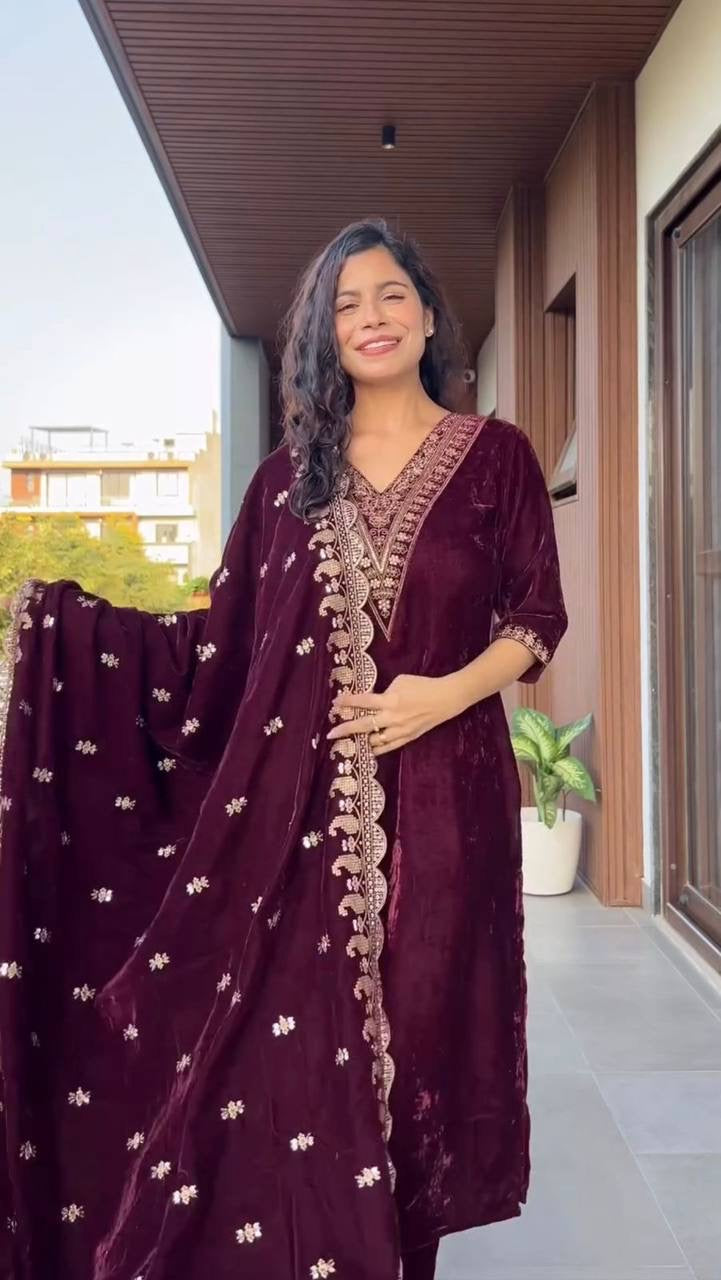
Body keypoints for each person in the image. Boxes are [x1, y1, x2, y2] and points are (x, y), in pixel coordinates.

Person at [0, 217, 568, 1280]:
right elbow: (217, 653)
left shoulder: (497, 456)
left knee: (421, 1069)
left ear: (427, 314)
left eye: (390, 295)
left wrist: (439, 696)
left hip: (451, 813)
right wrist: (63, 631)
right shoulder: (285, 485)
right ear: (323, 337)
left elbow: (536, 617)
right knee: (293, 1078)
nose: (372, 318)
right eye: (345, 305)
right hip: (299, 832)